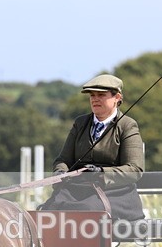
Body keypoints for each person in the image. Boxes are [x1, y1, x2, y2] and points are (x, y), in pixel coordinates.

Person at [41, 74, 145, 222]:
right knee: (48, 209)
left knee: (85, 212)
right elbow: (63, 160)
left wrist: (100, 172)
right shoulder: (80, 123)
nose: (95, 99)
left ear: (117, 97)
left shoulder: (127, 125)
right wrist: (61, 173)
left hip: (114, 192)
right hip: (78, 189)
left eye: (101, 95)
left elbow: (135, 169)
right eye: (92, 95)